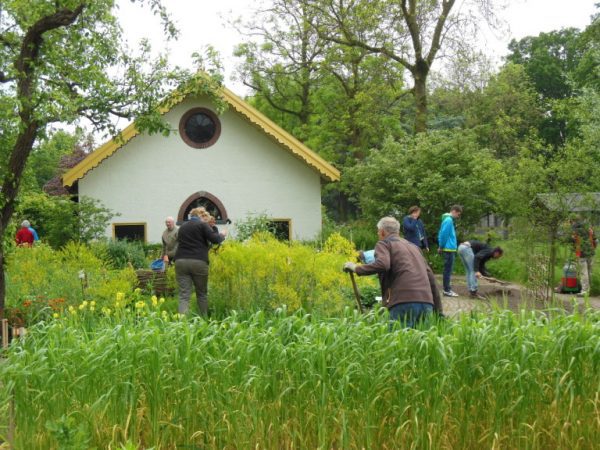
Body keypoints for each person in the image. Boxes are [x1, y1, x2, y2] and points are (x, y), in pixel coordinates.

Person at [343, 216, 442, 328]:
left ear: (382, 232)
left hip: (403, 301)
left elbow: (383, 264)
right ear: (398, 232)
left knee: (399, 343)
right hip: (426, 302)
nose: (378, 234)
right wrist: (439, 312)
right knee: (421, 343)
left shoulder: (384, 244)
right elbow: (431, 278)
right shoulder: (415, 248)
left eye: (378, 232)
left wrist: (356, 268)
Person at [174, 207, 227, 315]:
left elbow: (178, 241)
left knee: (184, 295)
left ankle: (182, 326)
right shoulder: (202, 225)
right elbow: (215, 240)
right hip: (198, 261)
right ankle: (204, 321)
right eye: (203, 215)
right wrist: (222, 234)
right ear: (199, 216)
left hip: (180, 261)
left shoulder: (182, 227)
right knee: (201, 294)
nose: (204, 218)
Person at [437, 205, 462, 297]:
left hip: (449, 248)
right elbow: (443, 235)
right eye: (458, 214)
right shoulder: (448, 220)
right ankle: (447, 290)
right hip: (448, 249)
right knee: (447, 270)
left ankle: (446, 289)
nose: (458, 216)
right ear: (454, 211)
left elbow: (442, 233)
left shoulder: (448, 220)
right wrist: (441, 246)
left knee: (448, 270)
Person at [571, 216, 596, 296]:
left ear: (574, 221)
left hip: (582, 253)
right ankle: (589, 290)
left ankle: (585, 291)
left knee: (583, 272)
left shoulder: (576, 229)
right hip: (591, 252)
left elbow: (573, 240)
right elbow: (595, 240)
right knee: (589, 272)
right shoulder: (589, 228)